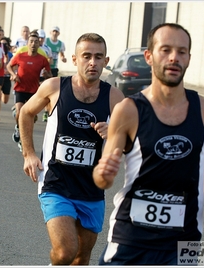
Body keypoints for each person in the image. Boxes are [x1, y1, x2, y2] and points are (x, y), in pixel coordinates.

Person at [92, 23, 204, 265]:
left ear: (189, 57)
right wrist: (104, 172)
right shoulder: (128, 110)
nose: (174, 58)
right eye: (165, 50)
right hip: (131, 238)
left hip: (184, 240)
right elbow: (102, 179)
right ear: (149, 56)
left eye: (181, 51)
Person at [19, 33, 124, 265]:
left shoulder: (115, 97)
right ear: (74, 59)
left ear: (106, 61)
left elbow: (131, 142)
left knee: (81, 258)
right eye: (86, 56)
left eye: (98, 57)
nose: (92, 62)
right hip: (56, 182)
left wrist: (115, 133)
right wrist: (29, 153)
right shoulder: (55, 87)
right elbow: (26, 112)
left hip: (91, 189)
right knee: (65, 251)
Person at [6, 30, 52, 151]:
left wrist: (47, 76)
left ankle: (21, 132)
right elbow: (9, 66)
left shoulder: (42, 59)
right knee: (20, 112)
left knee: (32, 117)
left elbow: (49, 74)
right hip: (20, 88)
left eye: (36, 42)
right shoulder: (21, 56)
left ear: (39, 44)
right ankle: (19, 130)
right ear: (27, 43)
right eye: (31, 41)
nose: (33, 44)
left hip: (34, 91)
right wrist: (13, 75)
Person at [36, 29, 53, 122]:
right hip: (33, 74)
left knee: (46, 93)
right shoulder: (33, 47)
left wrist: (48, 65)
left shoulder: (47, 48)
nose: (40, 40)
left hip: (43, 74)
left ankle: (46, 112)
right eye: (39, 38)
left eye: (42, 38)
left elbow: (50, 59)